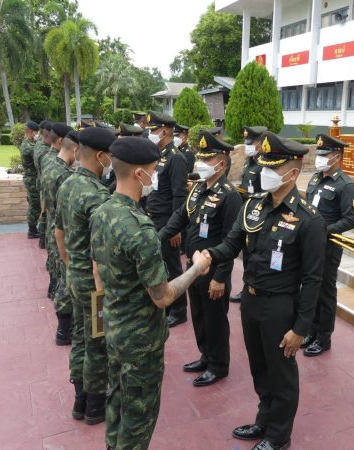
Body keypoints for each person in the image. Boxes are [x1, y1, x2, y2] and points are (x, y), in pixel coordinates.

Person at [205, 131, 326, 450]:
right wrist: (210, 256)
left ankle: (279, 435)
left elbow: (314, 279)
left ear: (293, 173)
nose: (265, 173)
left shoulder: (308, 220)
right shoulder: (253, 206)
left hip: (281, 306)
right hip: (251, 300)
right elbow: (232, 242)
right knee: (259, 366)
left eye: (273, 167)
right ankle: (264, 419)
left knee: (281, 373)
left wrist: (301, 328)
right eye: (264, 165)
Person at [90, 137, 212, 450]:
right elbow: (163, 296)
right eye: (154, 171)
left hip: (114, 329)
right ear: (140, 175)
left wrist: (102, 321)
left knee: (116, 403)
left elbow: (98, 276)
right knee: (138, 418)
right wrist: (196, 268)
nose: (155, 178)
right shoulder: (139, 229)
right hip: (140, 341)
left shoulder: (102, 212)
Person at [160, 130, 242, 387]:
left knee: (216, 319)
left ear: (221, 163)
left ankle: (219, 365)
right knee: (199, 315)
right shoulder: (198, 190)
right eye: (201, 158)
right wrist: (158, 237)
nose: (201, 164)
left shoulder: (230, 196)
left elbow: (232, 241)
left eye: (207, 159)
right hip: (193, 268)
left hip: (213, 271)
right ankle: (205, 355)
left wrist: (220, 278)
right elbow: (180, 218)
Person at [55, 127, 118, 425]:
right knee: (97, 342)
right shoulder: (97, 196)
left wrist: (69, 266)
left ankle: (80, 399)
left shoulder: (68, 184)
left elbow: (59, 232)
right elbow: (100, 255)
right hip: (94, 285)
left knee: (81, 338)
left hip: (74, 278)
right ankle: (94, 404)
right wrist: (103, 289)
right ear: (103, 156)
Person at [302, 134, 354, 356]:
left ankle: (323, 338)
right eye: (319, 155)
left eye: (325, 155)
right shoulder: (316, 178)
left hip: (328, 245)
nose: (320, 159)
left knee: (325, 292)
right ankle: (311, 331)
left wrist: (323, 230)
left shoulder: (345, 185)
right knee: (310, 287)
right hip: (310, 243)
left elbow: (350, 219)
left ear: (337, 157)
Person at [145, 111, 189, 328]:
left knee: (172, 266)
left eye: (153, 129)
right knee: (160, 264)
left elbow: (179, 195)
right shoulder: (159, 156)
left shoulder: (176, 159)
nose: (150, 133)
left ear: (164, 131)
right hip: (155, 217)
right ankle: (166, 303)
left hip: (167, 220)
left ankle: (179, 310)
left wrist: (176, 228)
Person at [42, 126, 76, 345]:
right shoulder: (63, 174)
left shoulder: (50, 164)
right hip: (61, 231)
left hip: (52, 227)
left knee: (58, 275)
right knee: (66, 281)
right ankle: (64, 330)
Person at [229, 125, 268, 304]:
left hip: (260, 218)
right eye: (247, 142)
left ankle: (257, 290)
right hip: (247, 214)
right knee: (247, 254)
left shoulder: (265, 164)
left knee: (258, 257)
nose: (248, 145)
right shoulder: (249, 161)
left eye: (251, 142)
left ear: (261, 143)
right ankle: (246, 288)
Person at [20, 120, 41, 239]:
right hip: (32, 179)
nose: (37, 135)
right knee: (35, 204)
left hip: (33, 178)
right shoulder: (28, 146)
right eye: (36, 133)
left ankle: (33, 228)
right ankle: (32, 230)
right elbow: (39, 155)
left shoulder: (30, 143)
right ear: (31, 132)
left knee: (34, 203)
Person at [34, 120, 53, 249]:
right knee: (45, 213)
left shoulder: (39, 145)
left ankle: (42, 238)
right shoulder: (44, 150)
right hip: (45, 185)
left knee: (44, 212)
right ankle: (43, 239)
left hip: (42, 183)